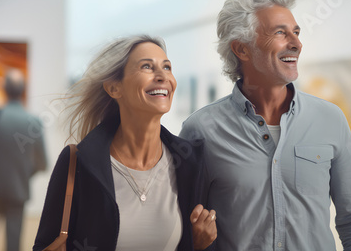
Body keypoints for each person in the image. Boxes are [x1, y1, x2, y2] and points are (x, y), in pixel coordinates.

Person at [179, 0, 351, 250]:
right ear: (242, 49)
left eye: (296, 32)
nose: (296, 43)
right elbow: (183, 226)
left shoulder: (330, 119)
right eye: (280, 33)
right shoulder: (200, 130)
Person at [33, 35, 217, 251]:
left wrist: (198, 245)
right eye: (147, 67)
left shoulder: (190, 163)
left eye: (167, 67)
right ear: (114, 88)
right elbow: (45, 245)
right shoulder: (79, 162)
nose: (162, 76)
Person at [0, 69, 47, 251]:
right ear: (23, 90)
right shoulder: (34, 122)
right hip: (18, 189)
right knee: (14, 240)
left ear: (4, 89)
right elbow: (43, 163)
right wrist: (24, 173)